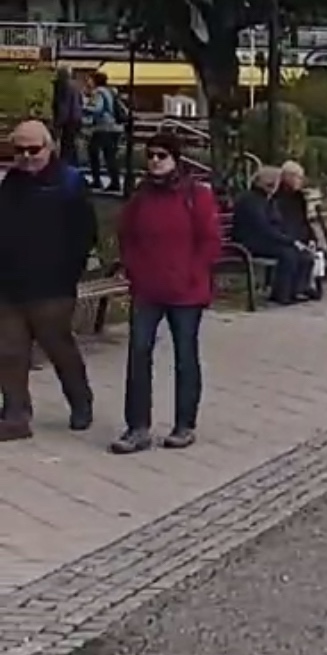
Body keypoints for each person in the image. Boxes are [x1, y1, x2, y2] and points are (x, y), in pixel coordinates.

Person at [114, 128, 223, 453]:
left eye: (162, 155)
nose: (155, 161)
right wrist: (133, 268)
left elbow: (209, 241)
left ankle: (184, 424)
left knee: (185, 356)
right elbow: (127, 235)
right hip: (148, 288)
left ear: (175, 159)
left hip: (186, 291)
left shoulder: (196, 195)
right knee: (138, 353)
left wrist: (190, 274)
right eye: (150, 155)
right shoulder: (141, 196)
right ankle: (137, 426)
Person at [0, 120, 97, 440]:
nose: (26, 156)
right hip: (10, 285)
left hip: (52, 286)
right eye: (19, 150)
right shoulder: (11, 182)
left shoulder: (69, 182)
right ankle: (15, 414)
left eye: (33, 150)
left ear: (49, 147)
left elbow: (84, 233)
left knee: (59, 347)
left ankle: (80, 401)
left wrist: (68, 272)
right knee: (9, 351)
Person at [232, 166, 314, 303]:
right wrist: (289, 241)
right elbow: (263, 228)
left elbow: (277, 224)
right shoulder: (250, 200)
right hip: (250, 242)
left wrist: (293, 239)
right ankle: (282, 294)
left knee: (303, 253)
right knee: (288, 254)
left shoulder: (267, 199)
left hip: (265, 239)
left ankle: (297, 290)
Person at [272, 160, 326, 299]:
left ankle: (302, 287)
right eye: (298, 177)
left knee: (316, 252)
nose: (301, 181)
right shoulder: (277, 198)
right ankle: (290, 291)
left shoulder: (299, 197)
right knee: (296, 254)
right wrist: (296, 241)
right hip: (287, 237)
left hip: (298, 236)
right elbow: (281, 224)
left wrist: (311, 237)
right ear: (288, 177)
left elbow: (304, 220)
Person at [82, 70, 125, 192]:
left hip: (104, 127)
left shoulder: (99, 92)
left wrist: (84, 107)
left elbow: (97, 109)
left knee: (93, 152)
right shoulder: (111, 91)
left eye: (90, 79)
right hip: (115, 127)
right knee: (110, 155)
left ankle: (97, 181)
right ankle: (115, 182)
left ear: (95, 80)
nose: (88, 82)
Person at [52, 67, 83, 166]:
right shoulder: (76, 86)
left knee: (66, 145)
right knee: (71, 144)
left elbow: (64, 105)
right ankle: (74, 165)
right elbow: (80, 102)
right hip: (76, 118)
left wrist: (58, 122)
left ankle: (65, 165)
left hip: (68, 120)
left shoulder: (63, 86)